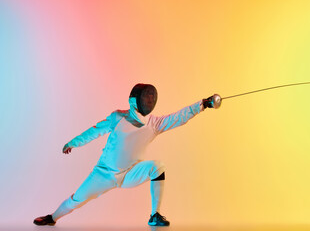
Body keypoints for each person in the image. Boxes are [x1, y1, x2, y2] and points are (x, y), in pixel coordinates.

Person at [33, 83, 217, 227]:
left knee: (157, 167)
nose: (150, 101)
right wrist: (73, 143)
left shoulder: (154, 123)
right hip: (103, 174)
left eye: (153, 97)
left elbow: (179, 117)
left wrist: (202, 105)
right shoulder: (118, 117)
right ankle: (52, 217)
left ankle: (154, 215)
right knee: (77, 200)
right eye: (147, 97)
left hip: (130, 174)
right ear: (136, 100)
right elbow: (93, 131)